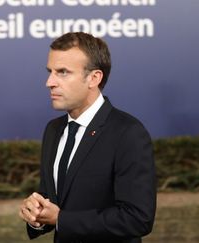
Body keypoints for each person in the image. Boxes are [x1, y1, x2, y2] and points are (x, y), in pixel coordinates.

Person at [19, 32, 156, 243]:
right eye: (50, 72)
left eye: (63, 72)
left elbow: (138, 218)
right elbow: (52, 201)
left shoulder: (128, 133)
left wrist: (62, 219)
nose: (50, 82)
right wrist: (37, 216)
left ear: (94, 78)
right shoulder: (53, 130)